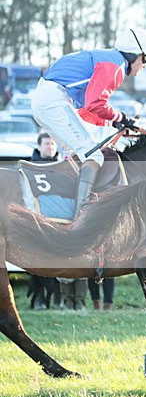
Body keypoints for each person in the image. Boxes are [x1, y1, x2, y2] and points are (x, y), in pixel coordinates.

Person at [30, 27, 146, 217]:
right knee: (94, 156)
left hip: (47, 100)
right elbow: (95, 103)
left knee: (80, 155)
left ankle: (67, 205)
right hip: (53, 101)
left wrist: (114, 123)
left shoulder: (109, 60)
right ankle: (84, 214)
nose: (145, 66)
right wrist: (121, 117)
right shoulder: (115, 66)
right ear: (133, 55)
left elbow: (85, 111)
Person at [28, 132, 62, 310]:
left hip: (59, 220)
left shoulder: (63, 166)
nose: (50, 147)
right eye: (47, 144)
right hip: (36, 219)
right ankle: (39, 298)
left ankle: (58, 298)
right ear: (39, 147)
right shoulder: (30, 166)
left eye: (53, 144)